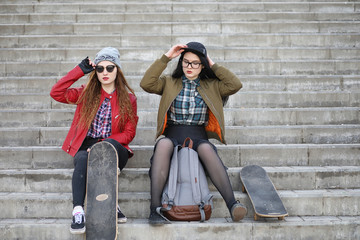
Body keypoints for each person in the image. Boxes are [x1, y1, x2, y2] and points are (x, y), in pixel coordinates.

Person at [140, 42, 247, 224]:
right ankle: (154, 209)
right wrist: (167, 57)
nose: (189, 67)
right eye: (186, 62)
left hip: (198, 136)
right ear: (181, 62)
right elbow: (146, 83)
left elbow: (235, 84)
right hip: (173, 134)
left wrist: (213, 65)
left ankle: (232, 205)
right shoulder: (169, 82)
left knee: (206, 148)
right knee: (163, 144)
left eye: (195, 63)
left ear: (202, 65)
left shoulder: (212, 85)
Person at [50, 47, 138, 234]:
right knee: (82, 159)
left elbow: (129, 133)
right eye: (100, 68)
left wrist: (103, 144)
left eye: (110, 68)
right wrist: (80, 70)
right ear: (95, 71)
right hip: (86, 145)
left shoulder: (129, 99)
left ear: (117, 70)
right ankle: (78, 211)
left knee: (108, 149)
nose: (104, 73)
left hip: (115, 146)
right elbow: (56, 93)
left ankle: (111, 202)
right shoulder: (85, 93)